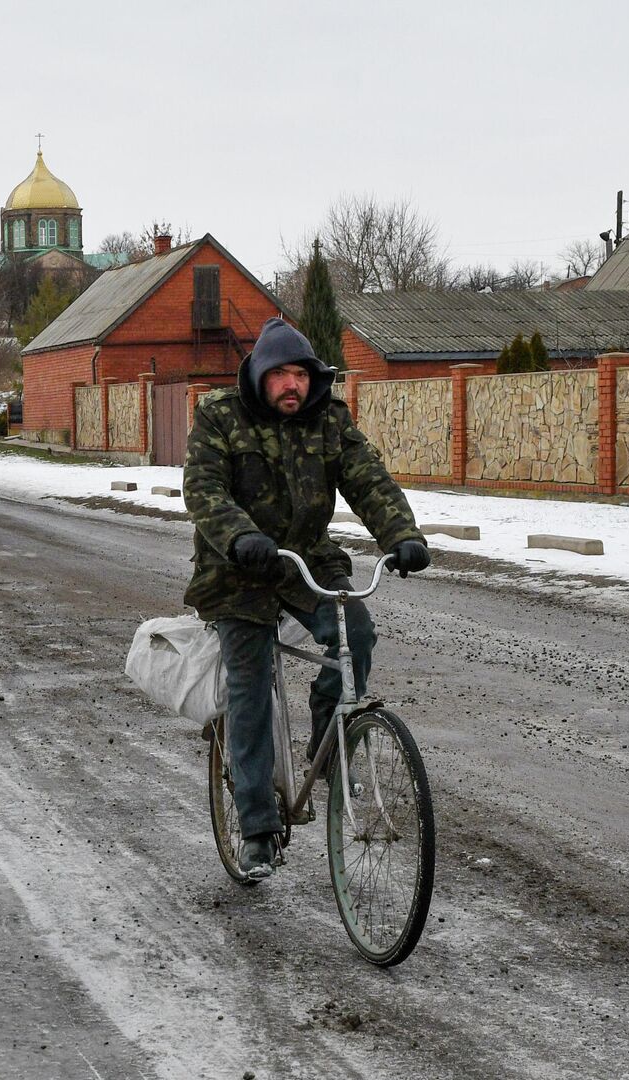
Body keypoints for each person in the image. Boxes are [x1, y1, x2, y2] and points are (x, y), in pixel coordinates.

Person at [183, 318, 428, 878]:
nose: (292, 385)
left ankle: (329, 740)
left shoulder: (328, 418)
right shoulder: (220, 416)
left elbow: (368, 480)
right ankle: (258, 830)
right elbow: (203, 488)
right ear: (260, 376)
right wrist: (239, 535)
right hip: (237, 568)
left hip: (305, 560)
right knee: (250, 688)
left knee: (355, 635)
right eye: (280, 375)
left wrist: (402, 535)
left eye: (300, 374)